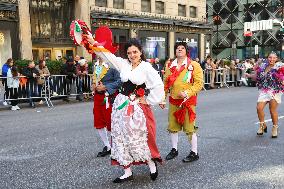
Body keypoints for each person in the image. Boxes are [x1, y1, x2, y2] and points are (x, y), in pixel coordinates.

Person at [86, 37, 164, 183]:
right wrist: (91, 41)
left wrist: (148, 100)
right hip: (121, 105)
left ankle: (151, 164)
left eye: (135, 52)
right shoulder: (123, 64)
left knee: (139, 137)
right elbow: (107, 55)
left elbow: (158, 85)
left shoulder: (146, 67)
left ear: (140, 52)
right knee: (120, 137)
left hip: (136, 107)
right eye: (129, 53)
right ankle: (127, 170)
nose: (132, 55)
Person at [160, 42, 204, 163]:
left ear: (186, 51)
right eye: (177, 48)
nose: (179, 50)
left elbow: (199, 83)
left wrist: (186, 93)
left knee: (190, 128)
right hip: (174, 101)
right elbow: (165, 83)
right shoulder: (170, 65)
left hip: (188, 101)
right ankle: (174, 149)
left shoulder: (193, 65)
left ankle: (194, 152)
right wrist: (162, 98)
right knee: (173, 127)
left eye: (182, 48)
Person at [246, 52, 284, 138]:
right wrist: (249, 75)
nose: (272, 59)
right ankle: (262, 125)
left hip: (275, 90)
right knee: (259, 108)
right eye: (270, 57)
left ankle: (275, 128)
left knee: (272, 110)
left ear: (276, 59)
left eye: (274, 58)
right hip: (264, 90)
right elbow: (257, 76)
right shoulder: (263, 66)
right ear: (268, 58)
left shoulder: (280, 66)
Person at [92, 55, 121, 157]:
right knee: (98, 121)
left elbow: (120, 81)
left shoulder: (113, 65)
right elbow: (95, 79)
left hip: (109, 97)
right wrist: (93, 86)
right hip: (98, 97)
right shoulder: (96, 65)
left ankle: (117, 146)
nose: (98, 54)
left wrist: (106, 87)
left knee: (112, 122)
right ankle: (107, 146)